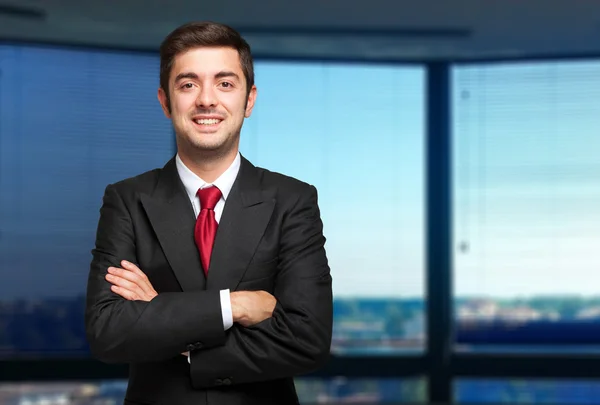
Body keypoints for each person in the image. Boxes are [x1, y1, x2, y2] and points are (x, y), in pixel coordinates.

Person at [84, 21, 333, 405]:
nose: (206, 100)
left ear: (249, 101)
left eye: (225, 83)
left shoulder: (293, 200)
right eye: (188, 84)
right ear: (165, 102)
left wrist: (161, 315)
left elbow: (306, 340)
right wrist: (233, 306)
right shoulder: (127, 200)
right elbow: (108, 332)